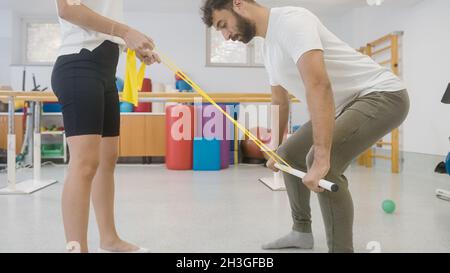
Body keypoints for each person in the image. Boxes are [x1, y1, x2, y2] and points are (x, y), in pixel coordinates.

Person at [200, 0, 409, 252]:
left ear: (239, 4)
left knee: (323, 165)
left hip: (382, 95)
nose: (225, 36)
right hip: (343, 106)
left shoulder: (291, 21)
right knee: (288, 156)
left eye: (223, 25)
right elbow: (280, 101)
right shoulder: (268, 49)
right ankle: (301, 232)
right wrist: (274, 148)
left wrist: (321, 157)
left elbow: (318, 85)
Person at [52, 0, 160, 253]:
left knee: (107, 157)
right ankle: (76, 249)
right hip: (78, 65)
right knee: (84, 162)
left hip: (105, 71)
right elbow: (67, 9)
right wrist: (125, 31)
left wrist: (130, 46)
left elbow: (100, 25)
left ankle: (109, 239)